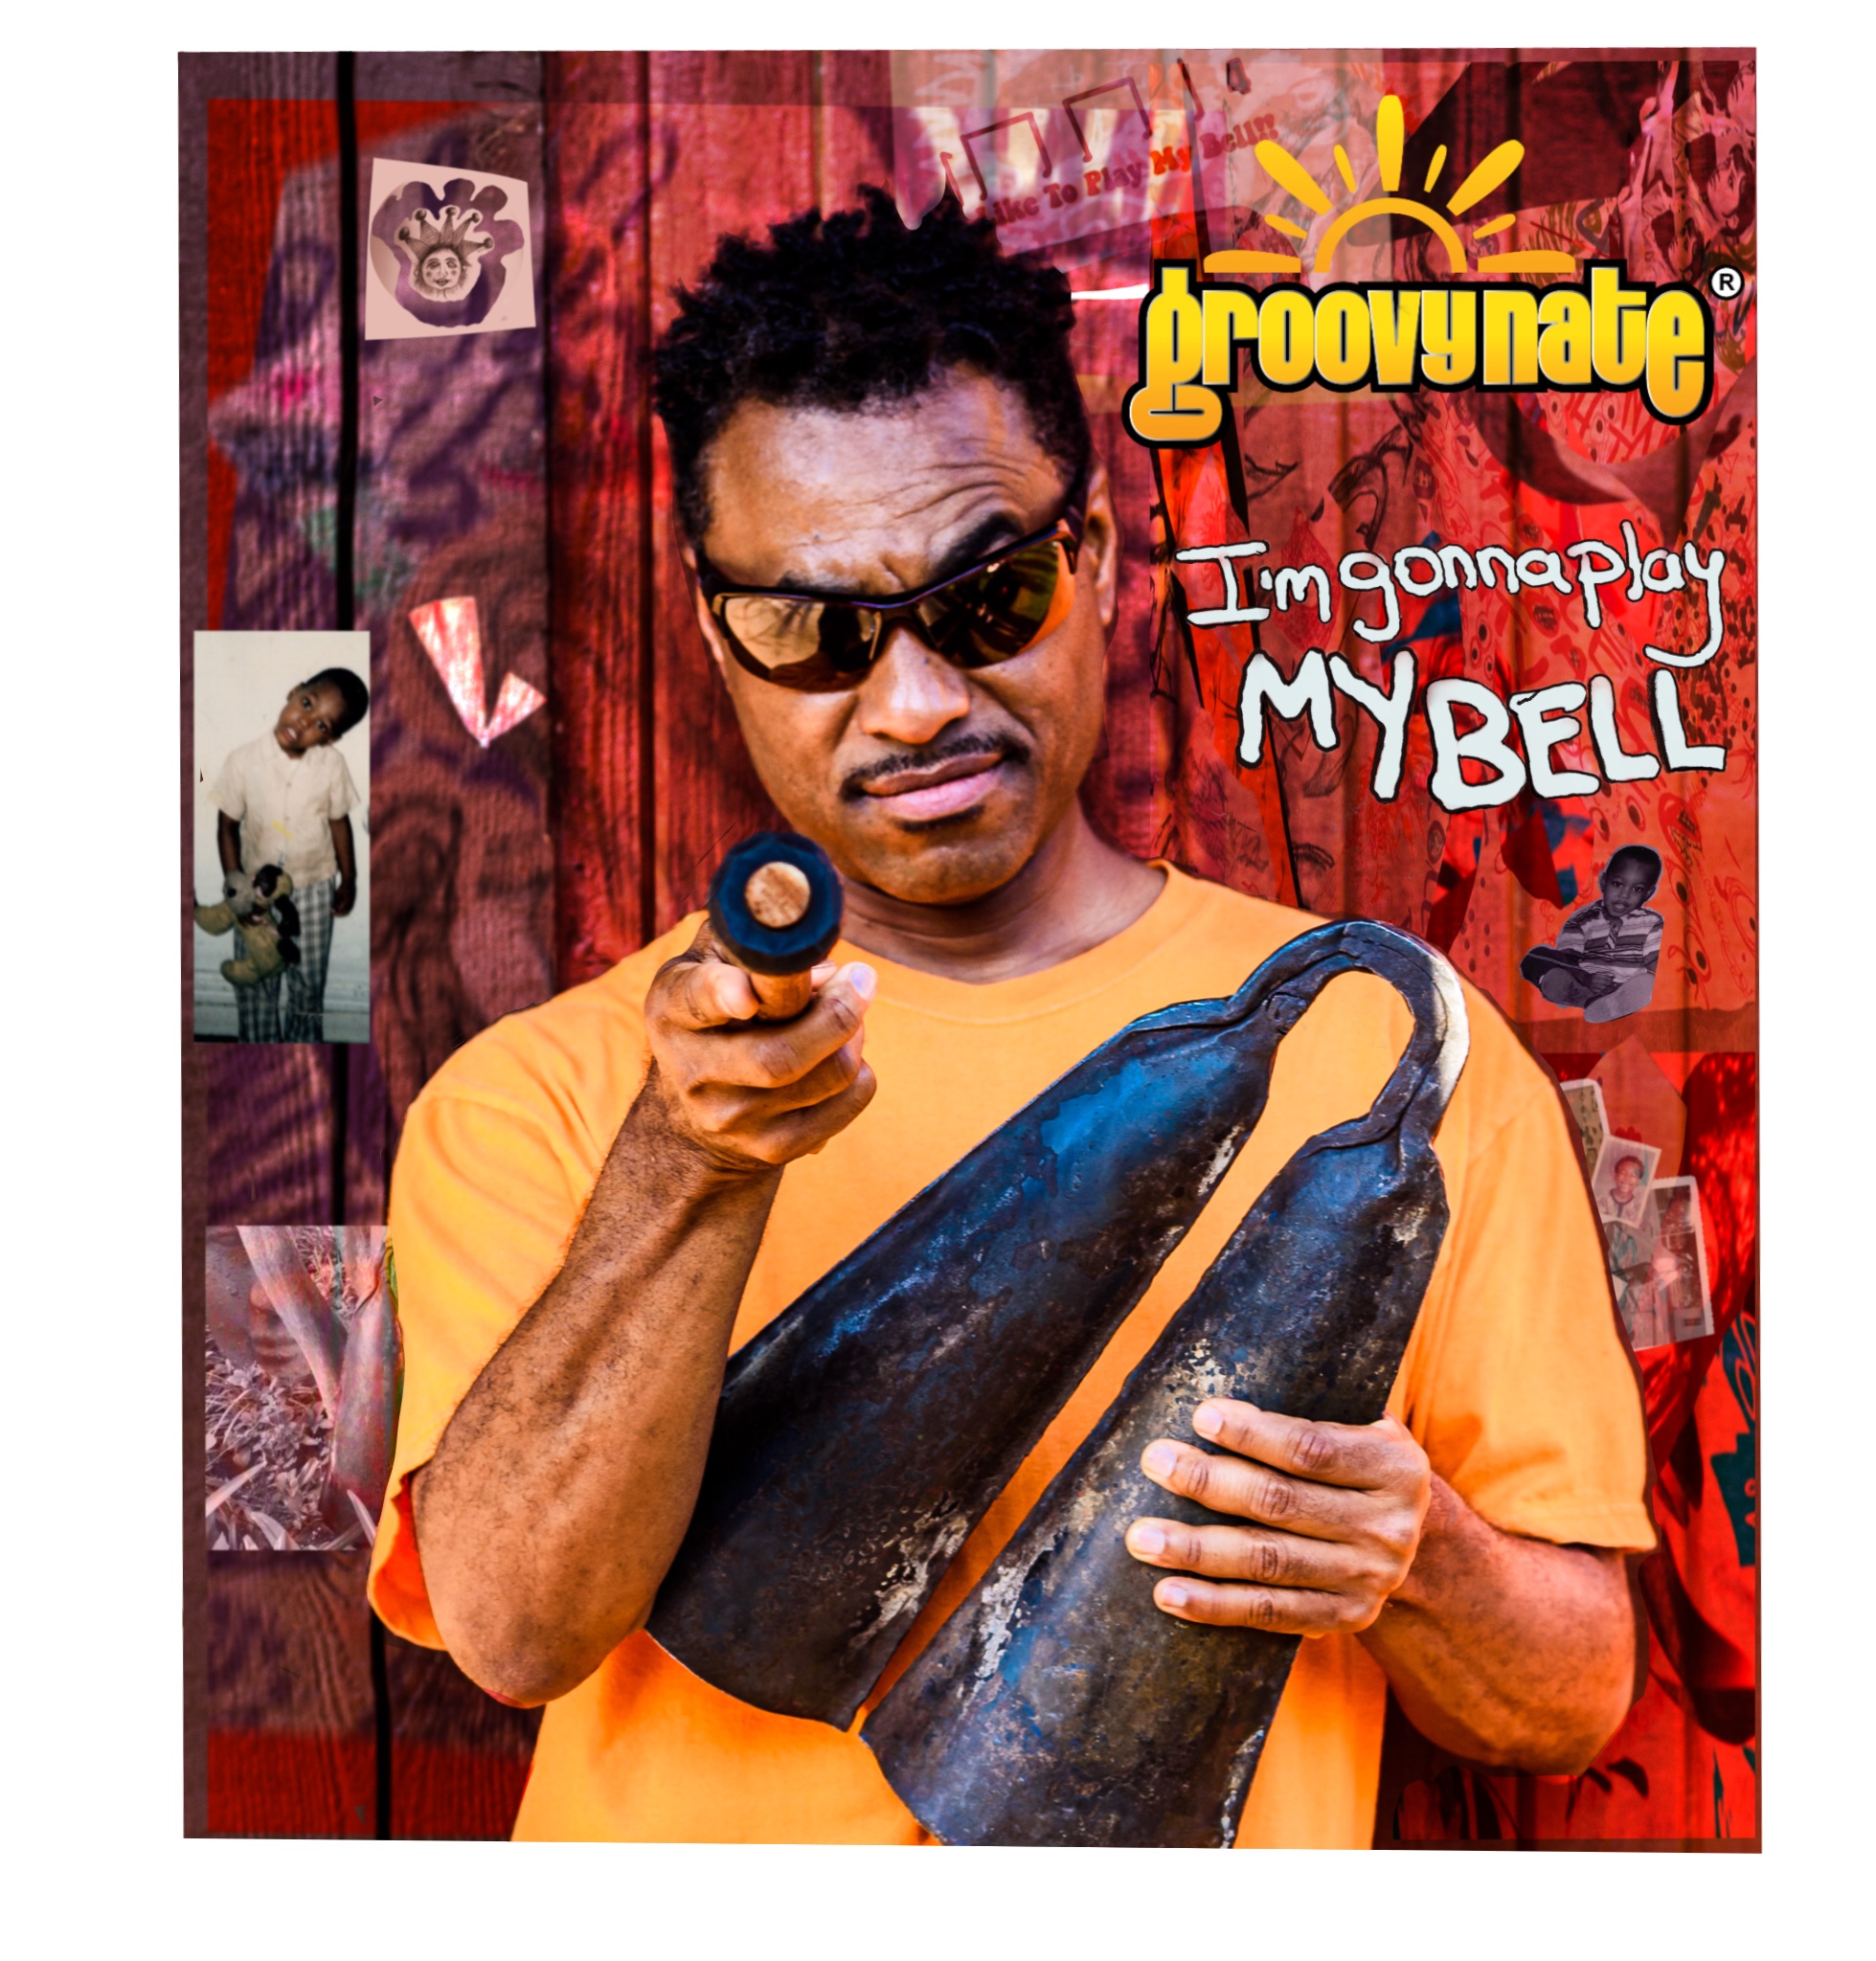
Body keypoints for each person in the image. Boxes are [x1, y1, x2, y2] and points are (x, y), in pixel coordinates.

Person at [370, 190, 1656, 1846]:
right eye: (816, 630)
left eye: (987, 600)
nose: (916, 704)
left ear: (1096, 554)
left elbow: (1569, 1695)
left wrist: (1420, 1560)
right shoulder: (537, 1100)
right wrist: (687, 1167)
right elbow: (515, 1629)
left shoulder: (1399, 1058)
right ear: (711, 624)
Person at [211, 667, 366, 1042]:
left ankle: (305, 1055)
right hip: (255, 893)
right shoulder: (242, 760)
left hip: (314, 888)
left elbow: (339, 822)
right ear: (294, 691)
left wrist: (350, 878)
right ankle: (258, 1054)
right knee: (256, 979)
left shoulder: (333, 766)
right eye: (307, 704)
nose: (304, 722)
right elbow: (227, 826)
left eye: (321, 725)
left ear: (331, 739)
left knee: (308, 983)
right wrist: (236, 891)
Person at [1520, 845, 1664, 1023]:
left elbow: (1656, 965)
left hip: (1624, 990)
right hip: (1584, 984)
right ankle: (1591, 1001)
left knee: (1650, 980)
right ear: (1603, 882)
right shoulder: (1583, 920)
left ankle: (1610, 1004)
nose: (1624, 895)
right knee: (1536, 956)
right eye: (1618, 884)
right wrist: (1585, 977)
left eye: (1637, 889)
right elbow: (1567, 960)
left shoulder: (1651, 923)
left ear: (1648, 893)